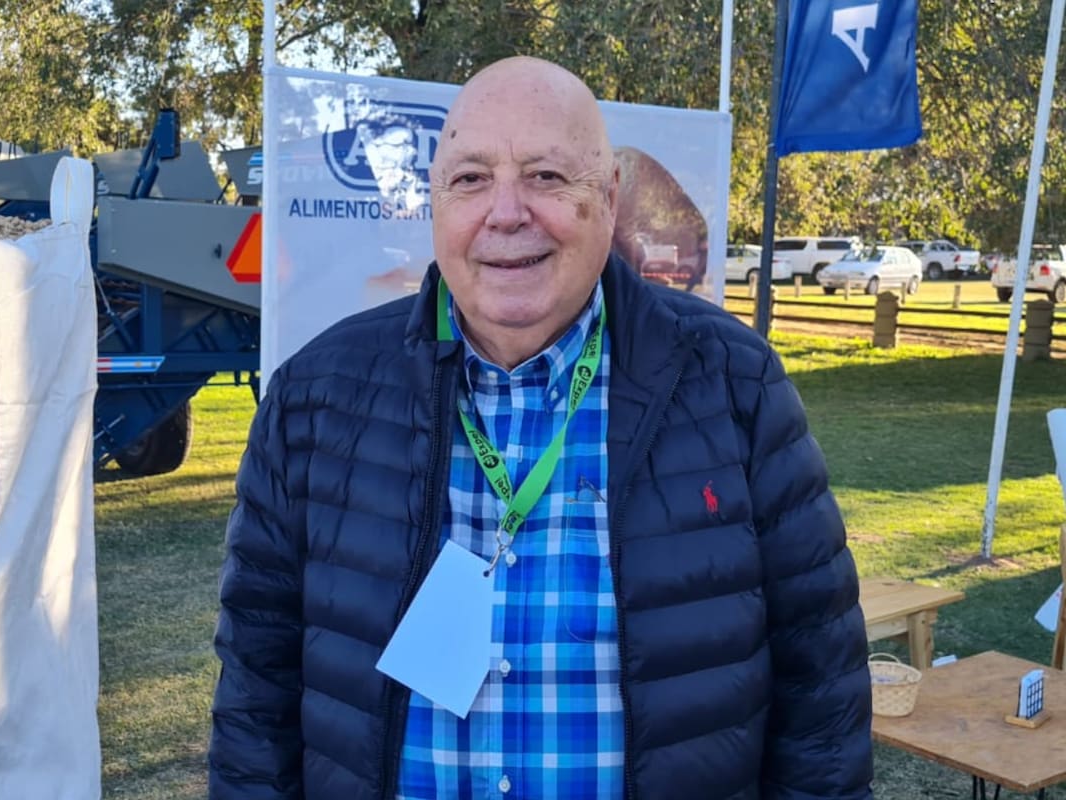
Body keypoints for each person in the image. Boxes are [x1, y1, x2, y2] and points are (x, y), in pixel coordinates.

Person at [209, 56, 873, 800]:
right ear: (434, 203)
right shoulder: (314, 398)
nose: (505, 212)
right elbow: (256, 698)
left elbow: (822, 689)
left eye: (546, 176)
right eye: (470, 178)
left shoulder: (734, 383)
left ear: (610, 198)